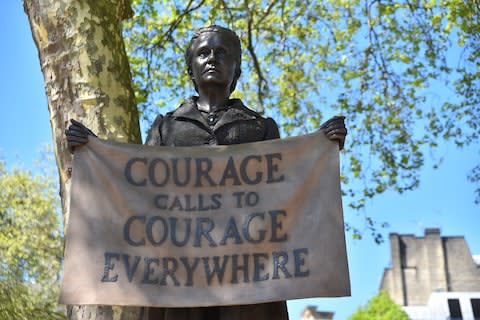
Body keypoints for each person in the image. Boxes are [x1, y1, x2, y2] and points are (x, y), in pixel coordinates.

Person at [66, 25, 346, 320]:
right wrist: (93, 149)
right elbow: (136, 191)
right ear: (191, 69)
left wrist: (322, 146)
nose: (212, 58)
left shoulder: (261, 127)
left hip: (247, 284)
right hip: (177, 280)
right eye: (204, 53)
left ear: (236, 70)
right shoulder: (166, 126)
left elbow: (289, 189)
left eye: (222, 53)